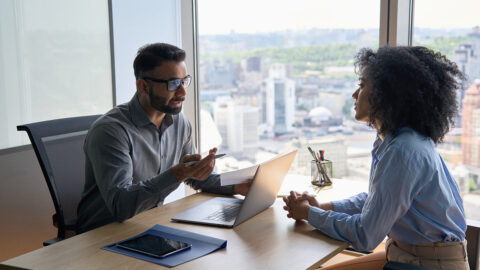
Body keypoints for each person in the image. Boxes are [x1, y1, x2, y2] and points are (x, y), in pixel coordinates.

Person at [283, 46, 469, 269]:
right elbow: (377, 201)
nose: (354, 95)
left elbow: (366, 235)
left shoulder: (402, 150)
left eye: (361, 86)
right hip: (408, 256)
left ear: (387, 94)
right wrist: (324, 207)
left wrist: (310, 213)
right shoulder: (395, 141)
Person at [76, 43, 250, 234]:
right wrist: (176, 174)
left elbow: (195, 177)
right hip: (102, 235)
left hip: (148, 225)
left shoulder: (179, 122)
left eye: (184, 81)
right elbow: (121, 206)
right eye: (173, 84)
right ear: (143, 86)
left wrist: (236, 185)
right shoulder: (111, 132)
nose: (182, 92)